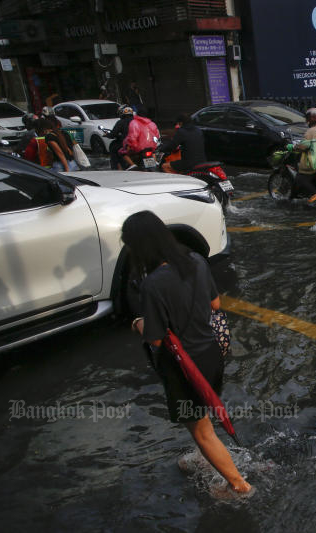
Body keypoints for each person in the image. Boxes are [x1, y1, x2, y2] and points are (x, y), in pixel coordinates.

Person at [124, 211, 253, 497]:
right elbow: (215, 303)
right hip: (211, 352)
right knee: (204, 416)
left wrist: (137, 323)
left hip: (185, 367)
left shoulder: (153, 284)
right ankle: (205, 457)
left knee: (202, 431)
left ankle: (239, 486)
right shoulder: (196, 261)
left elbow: (156, 340)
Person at [293, 108, 316, 202]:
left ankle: (315, 194)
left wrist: (293, 147)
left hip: (314, 161)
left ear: (309, 119)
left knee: (300, 178)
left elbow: (304, 146)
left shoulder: (310, 131)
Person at [121, 106, 160, 170]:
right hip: (151, 147)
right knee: (152, 152)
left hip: (138, 148)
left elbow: (132, 137)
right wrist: (153, 146)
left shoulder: (134, 123)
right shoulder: (152, 124)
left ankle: (132, 165)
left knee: (122, 152)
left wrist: (130, 146)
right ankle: (155, 162)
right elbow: (156, 136)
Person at [105, 105, 134, 170]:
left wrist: (107, 135)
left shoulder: (121, 122)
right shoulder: (138, 121)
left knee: (113, 147)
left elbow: (113, 134)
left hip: (128, 143)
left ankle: (116, 168)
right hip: (140, 143)